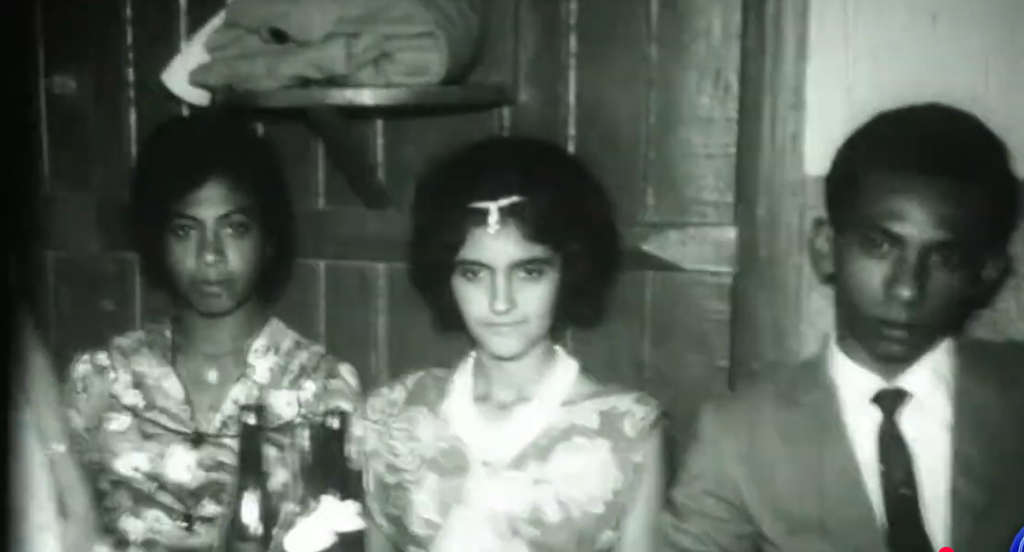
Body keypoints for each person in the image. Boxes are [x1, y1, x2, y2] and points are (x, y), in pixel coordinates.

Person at [661, 103, 1024, 552]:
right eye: (880, 246)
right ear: (825, 249)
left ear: (986, 274)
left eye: (945, 259)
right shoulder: (738, 437)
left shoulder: (1014, 399)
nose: (906, 289)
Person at [346, 136, 664, 552]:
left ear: (569, 271)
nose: (501, 302)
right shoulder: (390, 417)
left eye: (529, 272)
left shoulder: (626, 432)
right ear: (445, 277)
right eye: (474, 273)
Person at [63, 111, 362, 551]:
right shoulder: (101, 378)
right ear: (157, 239)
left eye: (235, 228)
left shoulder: (322, 387)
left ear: (268, 238)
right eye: (185, 230)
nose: (210, 255)